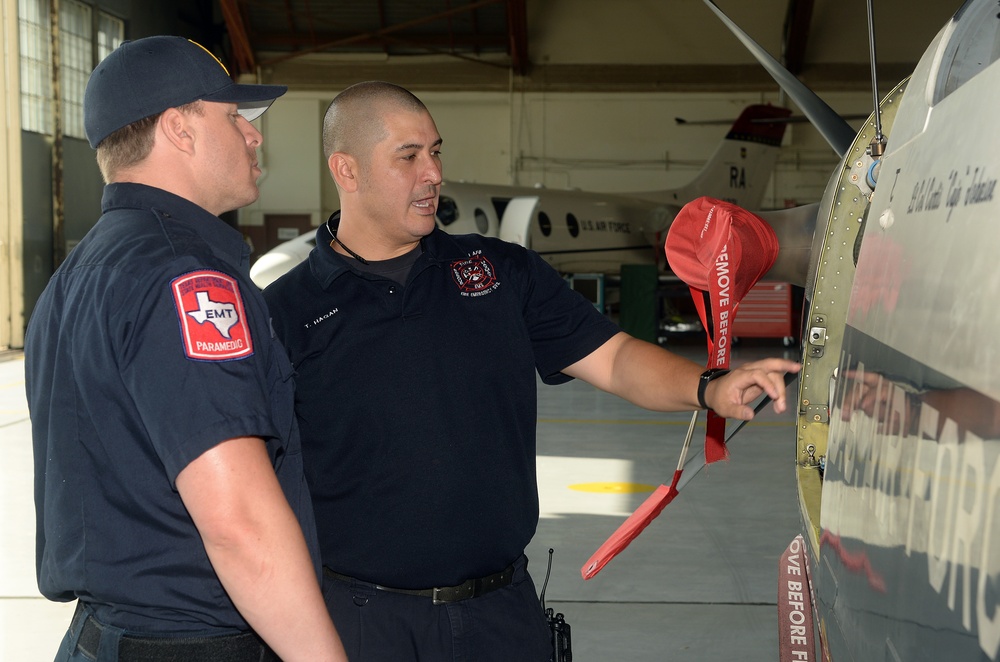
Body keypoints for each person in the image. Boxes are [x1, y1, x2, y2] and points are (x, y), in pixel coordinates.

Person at [262, 80, 800, 661]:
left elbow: (615, 358)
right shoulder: (285, 313)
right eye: (409, 156)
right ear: (347, 170)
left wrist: (708, 388)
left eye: (436, 151)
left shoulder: (499, 274)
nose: (434, 173)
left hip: (501, 615)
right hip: (361, 623)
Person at [24, 36, 347, 662]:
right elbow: (240, 527)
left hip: (102, 636)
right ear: (179, 129)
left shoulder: (75, 278)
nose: (254, 138)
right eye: (234, 118)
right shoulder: (186, 281)